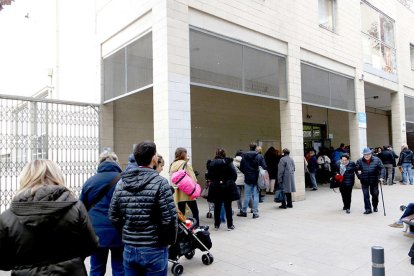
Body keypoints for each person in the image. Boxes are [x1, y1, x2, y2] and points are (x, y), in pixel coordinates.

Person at [0, 160, 99, 275]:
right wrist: (71, 259)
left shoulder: (7, 217)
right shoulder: (76, 208)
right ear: (57, 176)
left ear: (25, 178)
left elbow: (3, 261)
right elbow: (90, 246)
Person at [109, 141, 178, 276]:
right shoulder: (161, 182)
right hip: (154, 248)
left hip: (129, 248)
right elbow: (169, 218)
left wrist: (128, 233)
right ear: (153, 158)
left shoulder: (121, 183)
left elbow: (113, 216)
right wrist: (168, 241)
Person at [80, 150, 124, 276]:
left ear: (100, 163)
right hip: (118, 230)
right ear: (116, 163)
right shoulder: (123, 181)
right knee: (119, 267)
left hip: (96, 232)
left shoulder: (90, 181)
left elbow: (81, 207)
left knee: (96, 268)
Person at [206, 148, 239, 231]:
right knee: (228, 206)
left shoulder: (211, 163)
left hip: (216, 187)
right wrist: (230, 182)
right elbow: (234, 174)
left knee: (217, 206)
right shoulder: (228, 162)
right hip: (227, 187)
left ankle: (216, 225)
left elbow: (208, 175)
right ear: (224, 154)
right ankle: (230, 225)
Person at [169, 147, 200, 226]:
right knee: (195, 211)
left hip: (179, 192)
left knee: (181, 213)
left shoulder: (173, 164)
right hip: (188, 192)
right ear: (184, 154)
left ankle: (182, 229)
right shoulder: (186, 164)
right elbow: (193, 179)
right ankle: (196, 228)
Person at [237, 142, 267, 219]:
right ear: (255, 147)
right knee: (256, 195)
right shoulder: (259, 156)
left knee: (247, 195)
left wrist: (246, 173)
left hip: (247, 178)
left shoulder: (244, 156)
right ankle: (255, 213)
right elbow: (264, 166)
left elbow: (241, 167)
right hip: (256, 178)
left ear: (249, 147)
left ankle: (244, 211)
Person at [356, 147, 385, 214]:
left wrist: (381, 177)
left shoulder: (377, 160)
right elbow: (357, 170)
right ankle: (368, 209)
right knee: (366, 195)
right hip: (364, 180)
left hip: (374, 180)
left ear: (371, 154)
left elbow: (382, 168)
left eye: (368, 154)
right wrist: (359, 176)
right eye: (365, 154)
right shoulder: (359, 161)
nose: (366, 156)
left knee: (375, 194)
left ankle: (375, 206)